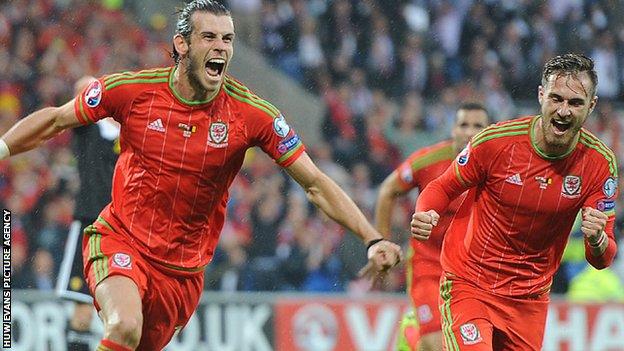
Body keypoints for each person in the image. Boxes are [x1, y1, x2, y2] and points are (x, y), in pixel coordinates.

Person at [0, 1, 402, 350]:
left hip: (182, 274)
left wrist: (372, 237)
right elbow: (54, 120)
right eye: (209, 37)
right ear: (182, 44)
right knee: (123, 327)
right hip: (120, 239)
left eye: (227, 39)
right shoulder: (133, 91)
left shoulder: (253, 115)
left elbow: (314, 182)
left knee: (132, 341)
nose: (221, 47)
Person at [411, 53, 618, 350]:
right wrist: (425, 212)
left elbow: (603, 258)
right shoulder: (495, 142)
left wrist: (597, 237)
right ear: (540, 95)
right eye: (556, 99)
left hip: (529, 302)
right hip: (470, 285)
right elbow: (441, 187)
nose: (563, 111)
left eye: (575, 103)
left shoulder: (599, 164)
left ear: (592, 106)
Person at [376, 103, 489, 351]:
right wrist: (381, 242)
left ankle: (414, 330)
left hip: (471, 271)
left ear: (488, 131)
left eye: (477, 126)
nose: (469, 132)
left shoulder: (498, 168)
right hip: (427, 264)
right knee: (437, 345)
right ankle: (413, 328)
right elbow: (387, 190)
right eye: (463, 125)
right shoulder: (430, 160)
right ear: (453, 129)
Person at [55, 77, 120, 351]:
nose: (87, 94)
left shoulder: (129, 130)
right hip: (90, 223)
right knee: (82, 307)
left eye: (92, 88)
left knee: (119, 313)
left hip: (122, 229)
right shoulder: (85, 128)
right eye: (81, 90)